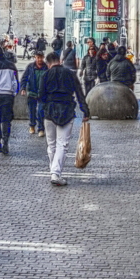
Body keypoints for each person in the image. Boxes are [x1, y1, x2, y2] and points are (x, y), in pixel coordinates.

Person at [39, 52, 89, 187]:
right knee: (63, 144)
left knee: (51, 144)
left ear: (48, 63)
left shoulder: (46, 75)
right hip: (67, 110)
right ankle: (55, 172)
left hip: (49, 111)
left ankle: (54, 171)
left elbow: (41, 96)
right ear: (60, 60)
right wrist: (85, 110)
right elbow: (79, 93)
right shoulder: (70, 74)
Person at [21, 51, 49, 137]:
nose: (39, 59)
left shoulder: (46, 67)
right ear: (35, 57)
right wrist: (23, 88)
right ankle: (32, 126)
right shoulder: (30, 67)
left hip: (42, 93)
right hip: (32, 92)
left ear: (43, 57)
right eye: (38, 57)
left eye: (41, 57)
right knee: (32, 110)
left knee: (41, 111)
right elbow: (24, 78)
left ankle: (41, 129)